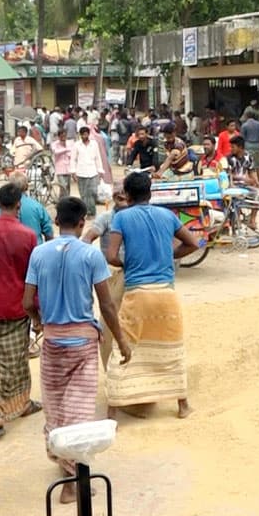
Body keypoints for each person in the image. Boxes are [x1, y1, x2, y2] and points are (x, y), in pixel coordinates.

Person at [23, 197, 130, 504]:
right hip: (83, 343)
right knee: (80, 412)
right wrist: (121, 341)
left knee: (56, 408)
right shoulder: (90, 255)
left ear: (57, 222)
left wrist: (39, 322)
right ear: (83, 222)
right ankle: (73, 484)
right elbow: (106, 304)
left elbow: (28, 301)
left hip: (54, 342)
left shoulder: (39, 254)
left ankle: (64, 466)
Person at [104, 172, 196, 419]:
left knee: (122, 347)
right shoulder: (167, 215)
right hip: (167, 294)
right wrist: (168, 257)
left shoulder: (122, 218)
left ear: (128, 194)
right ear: (150, 192)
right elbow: (193, 244)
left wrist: (127, 264)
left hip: (137, 294)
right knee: (172, 350)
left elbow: (110, 255)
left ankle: (112, 410)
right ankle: (182, 405)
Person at [0, 184, 43, 438]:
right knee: (16, 358)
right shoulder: (27, 236)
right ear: (19, 205)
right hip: (18, 303)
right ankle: (8, 408)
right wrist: (37, 311)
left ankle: (4, 406)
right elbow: (31, 274)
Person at [83, 187, 131, 371]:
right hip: (112, 275)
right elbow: (88, 238)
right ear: (113, 196)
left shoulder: (135, 217)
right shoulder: (106, 218)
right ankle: (110, 367)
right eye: (117, 191)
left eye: (124, 191)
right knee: (110, 319)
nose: (121, 194)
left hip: (133, 274)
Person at [0, 173, 53, 245]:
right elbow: (48, 231)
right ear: (26, 187)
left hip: (10, 250)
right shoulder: (37, 206)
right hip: (35, 250)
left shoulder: (3, 208)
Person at [74, 125, 105, 215]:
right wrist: (73, 172)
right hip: (81, 172)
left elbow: (98, 158)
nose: (85, 136)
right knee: (83, 193)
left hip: (93, 172)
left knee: (92, 192)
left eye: (86, 134)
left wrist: (100, 170)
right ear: (80, 135)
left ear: (88, 134)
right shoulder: (77, 145)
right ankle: (85, 211)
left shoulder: (94, 144)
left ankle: (92, 211)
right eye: (83, 135)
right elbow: (73, 159)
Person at [51, 127, 76, 196]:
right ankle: (64, 201)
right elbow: (55, 152)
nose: (63, 137)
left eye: (65, 136)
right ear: (59, 136)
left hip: (68, 168)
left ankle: (64, 200)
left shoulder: (69, 143)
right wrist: (66, 149)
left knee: (67, 186)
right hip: (59, 169)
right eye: (62, 136)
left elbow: (72, 154)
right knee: (63, 186)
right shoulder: (55, 144)